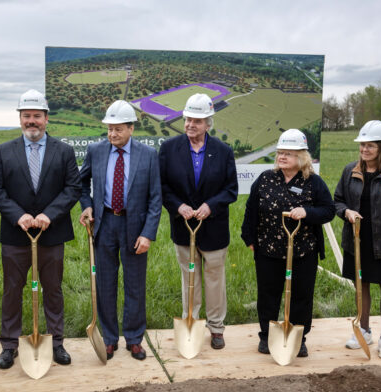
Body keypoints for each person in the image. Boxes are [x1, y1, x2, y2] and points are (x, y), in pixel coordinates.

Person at [0, 89, 80, 369]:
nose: (31, 121)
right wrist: (19, 216)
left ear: (46, 118)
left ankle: (56, 342)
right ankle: (9, 344)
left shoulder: (63, 151)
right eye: (26, 115)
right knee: (12, 289)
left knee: (53, 289)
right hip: (17, 235)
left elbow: (73, 187)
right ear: (19, 119)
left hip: (51, 234)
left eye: (36, 116)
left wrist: (50, 214)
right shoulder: (3, 151)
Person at [79, 100, 162, 361]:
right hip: (104, 225)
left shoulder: (147, 155)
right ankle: (110, 338)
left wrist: (147, 233)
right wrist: (87, 206)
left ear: (131, 128)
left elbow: (155, 198)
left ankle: (135, 339)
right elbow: (81, 185)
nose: (112, 134)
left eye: (118, 129)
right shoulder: (96, 151)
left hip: (134, 227)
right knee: (105, 284)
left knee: (135, 285)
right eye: (109, 129)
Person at [241, 129, 335, 357]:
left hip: (303, 251)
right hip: (268, 249)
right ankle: (266, 336)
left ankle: (298, 338)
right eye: (280, 153)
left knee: (301, 295)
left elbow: (329, 210)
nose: (282, 157)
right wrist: (250, 238)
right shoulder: (265, 179)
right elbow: (252, 209)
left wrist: (307, 212)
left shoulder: (313, 182)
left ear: (301, 157)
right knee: (268, 294)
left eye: (288, 154)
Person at [159, 93, 238, 350]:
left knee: (215, 280)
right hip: (184, 227)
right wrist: (178, 206)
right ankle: (190, 320)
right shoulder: (169, 149)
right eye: (188, 119)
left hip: (213, 228)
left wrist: (210, 206)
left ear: (208, 124)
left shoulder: (223, 151)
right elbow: (162, 187)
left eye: (197, 120)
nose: (191, 124)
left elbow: (230, 190)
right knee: (188, 277)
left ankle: (216, 327)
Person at [334, 120, 381, 360]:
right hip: (357, 241)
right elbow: (337, 200)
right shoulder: (350, 171)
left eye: (370, 146)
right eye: (362, 145)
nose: (364, 150)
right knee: (361, 285)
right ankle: (364, 330)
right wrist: (346, 212)